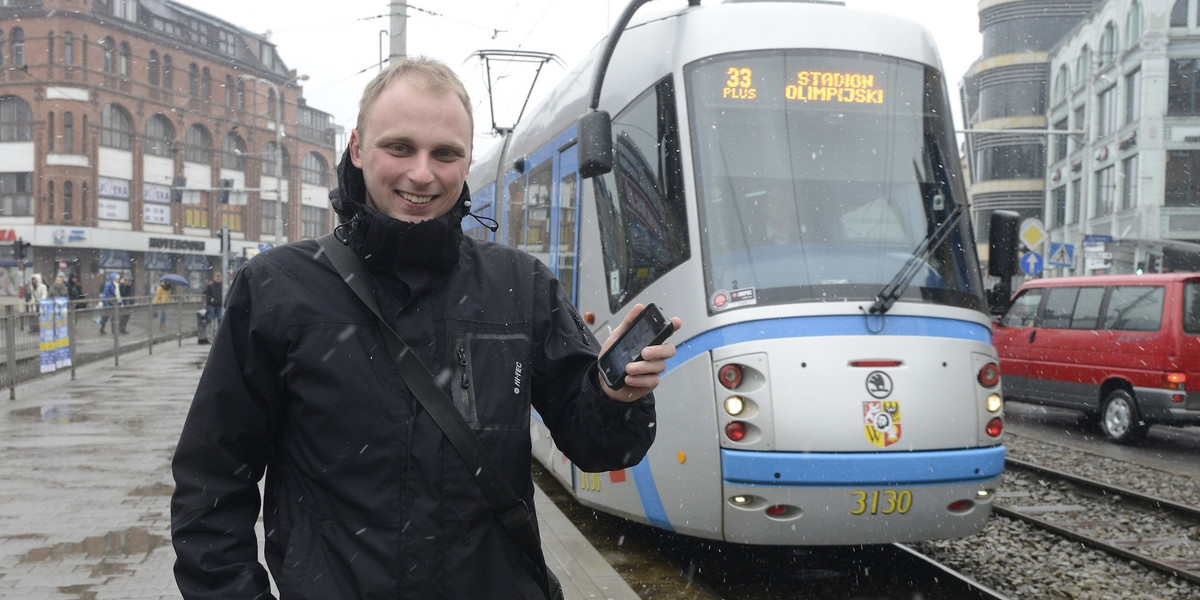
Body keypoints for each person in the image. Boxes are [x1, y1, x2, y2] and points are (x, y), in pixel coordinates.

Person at [171, 56, 681, 600]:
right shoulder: (276, 288)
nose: (422, 173)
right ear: (357, 149)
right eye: (399, 148)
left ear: (466, 162)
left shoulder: (521, 286)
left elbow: (596, 449)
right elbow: (213, 485)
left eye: (445, 153)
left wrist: (613, 397)